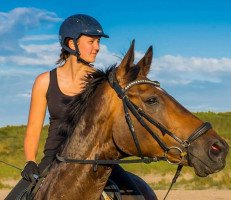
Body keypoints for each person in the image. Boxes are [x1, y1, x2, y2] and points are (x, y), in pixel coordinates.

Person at [5, 14, 145, 200]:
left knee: (138, 195)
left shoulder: (101, 83)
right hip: (54, 158)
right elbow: (33, 129)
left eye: (98, 42)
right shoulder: (44, 81)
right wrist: (30, 161)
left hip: (97, 160)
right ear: (71, 44)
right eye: (91, 41)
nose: (97, 47)